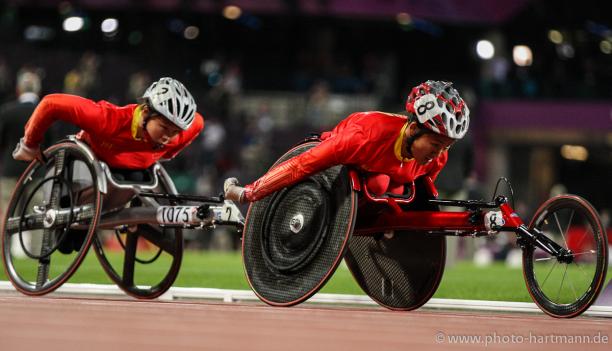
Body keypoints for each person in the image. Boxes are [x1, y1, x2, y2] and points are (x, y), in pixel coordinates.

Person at [12, 76, 204, 251]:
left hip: (126, 181)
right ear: (146, 112)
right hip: (81, 175)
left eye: (174, 132)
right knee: (67, 245)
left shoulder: (180, 132)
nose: (168, 137)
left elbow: (198, 122)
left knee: (136, 176)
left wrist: (169, 152)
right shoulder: (108, 119)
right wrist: (30, 143)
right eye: (164, 128)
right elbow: (51, 103)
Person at [224, 80, 470, 204]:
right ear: (413, 129)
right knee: (378, 183)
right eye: (436, 146)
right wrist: (249, 192)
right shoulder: (363, 138)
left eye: (446, 147)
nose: (439, 156)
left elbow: (422, 201)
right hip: (341, 163)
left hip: (380, 180)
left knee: (389, 186)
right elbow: (302, 164)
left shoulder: (437, 157)